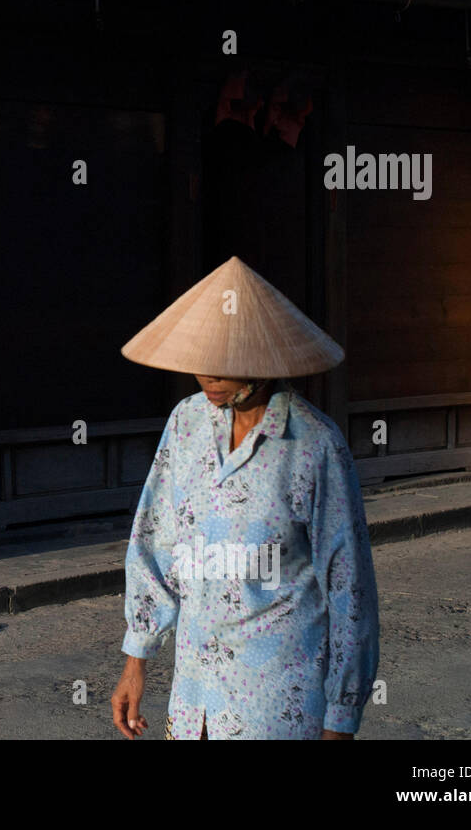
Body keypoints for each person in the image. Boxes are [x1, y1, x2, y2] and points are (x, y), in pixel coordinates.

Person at [110, 256, 380, 740]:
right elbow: (155, 542)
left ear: (263, 362)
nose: (209, 378)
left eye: (225, 367)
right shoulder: (185, 424)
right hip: (194, 703)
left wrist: (341, 718)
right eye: (202, 364)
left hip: (278, 708)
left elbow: (349, 589)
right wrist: (137, 659)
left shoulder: (314, 445)